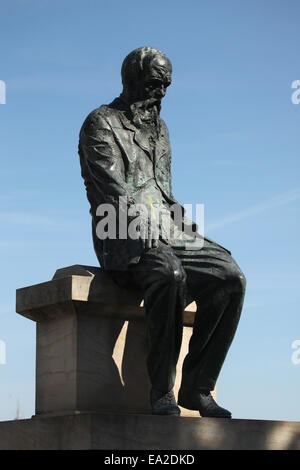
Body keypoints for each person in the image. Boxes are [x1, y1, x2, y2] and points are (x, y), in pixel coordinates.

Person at [78, 47, 246, 418]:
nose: (162, 94)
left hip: (167, 229)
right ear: (132, 79)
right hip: (120, 230)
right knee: (169, 273)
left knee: (229, 276)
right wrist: (146, 228)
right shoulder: (100, 122)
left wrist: (183, 225)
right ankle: (161, 391)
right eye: (155, 84)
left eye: (167, 86)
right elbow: (112, 189)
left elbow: (160, 188)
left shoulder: (160, 128)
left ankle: (197, 387)